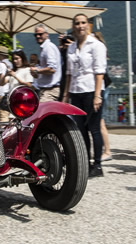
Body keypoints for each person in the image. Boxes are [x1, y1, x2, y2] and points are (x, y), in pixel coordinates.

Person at [62, 14, 107, 177]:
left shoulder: (96, 45)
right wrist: (66, 95)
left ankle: (98, 165)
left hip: (91, 90)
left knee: (94, 128)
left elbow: (100, 71)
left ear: (88, 25)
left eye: (83, 23)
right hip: (76, 90)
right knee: (80, 129)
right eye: (77, 23)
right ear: (73, 26)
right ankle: (86, 163)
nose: (80, 26)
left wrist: (97, 95)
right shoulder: (72, 47)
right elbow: (68, 73)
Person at [0, 49, 34, 122]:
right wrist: (6, 74)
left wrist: (15, 76)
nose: (15, 61)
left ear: (22, 58)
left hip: (22, 103)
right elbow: (2, 83)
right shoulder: (14, 71)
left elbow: (29, 85)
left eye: (17, 58)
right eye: (13, 59)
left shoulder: (27, 70)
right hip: (11, 103)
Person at [30, 23, 62, 102]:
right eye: (36, 35)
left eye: (40, 34)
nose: (38, 36)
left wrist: (37, 70)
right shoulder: (45, 48)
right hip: (45, 90)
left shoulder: (48, 47)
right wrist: (37, 73)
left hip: (50, 90)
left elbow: (52, 69)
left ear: (47, 34)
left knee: (42, 113)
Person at [93, 31, 112, 161]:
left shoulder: (99, 52)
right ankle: (103, 150)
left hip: (100, 90)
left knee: (100, 121)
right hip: (96, 90)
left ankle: (107, 151)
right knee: (99, 122)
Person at [58, 33, 75, 101]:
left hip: (74, 73)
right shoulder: (63, 50)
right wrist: (61, 43)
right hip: (64, 74)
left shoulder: (76, 49)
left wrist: (74, 46)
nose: (66, 43)